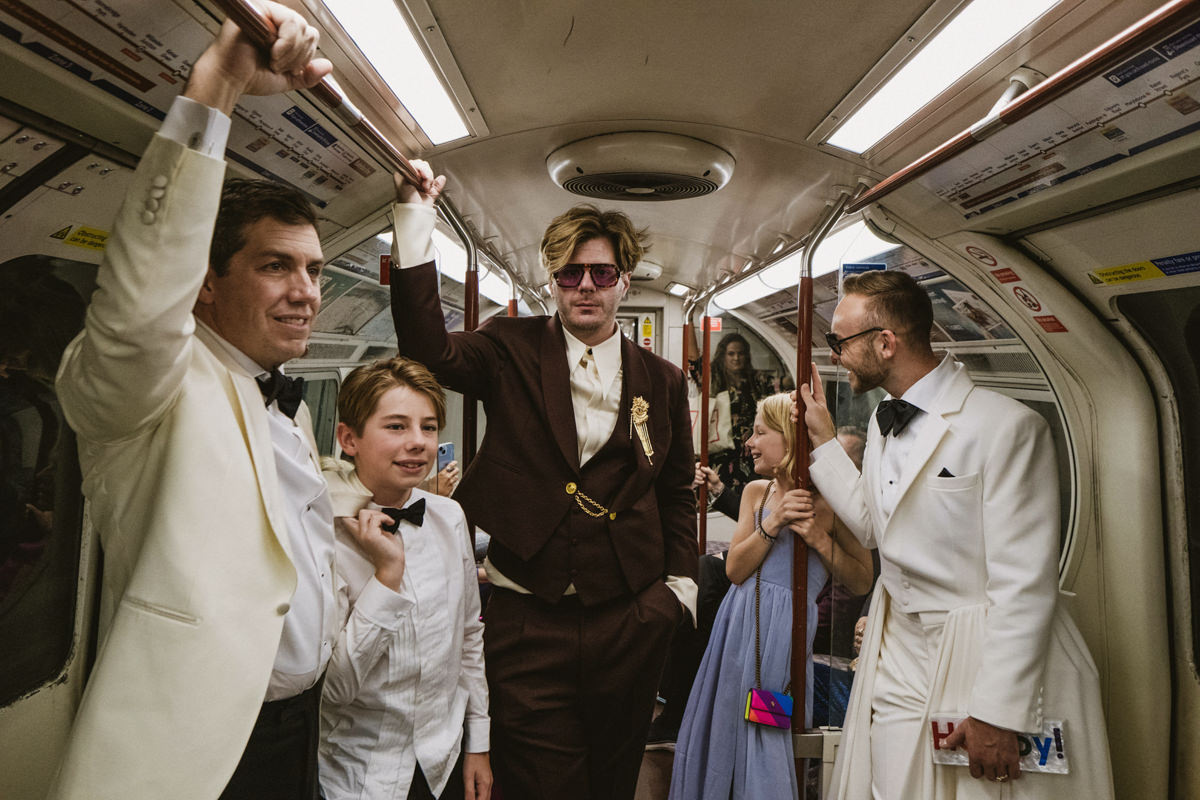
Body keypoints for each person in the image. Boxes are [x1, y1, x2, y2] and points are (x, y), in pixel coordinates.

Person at [48, 9, 375, 799]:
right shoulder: (151, 386)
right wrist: (219, 85)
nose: (307, 294)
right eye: (275, 267)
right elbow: (138, 306)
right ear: (205, 281)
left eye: (314, 270)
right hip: (201, 751)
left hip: (302, 730)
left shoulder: (286, 405)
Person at [388, 180, 698, 799]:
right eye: (570, 273)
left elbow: (675, 490)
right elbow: (428, 349)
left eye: (601, 273)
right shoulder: (509, 349)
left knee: (612, 782)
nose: (585, 286)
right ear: (551, 280)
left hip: (628, 617)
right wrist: (414, 220)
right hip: (527, 615)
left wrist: (677, 593)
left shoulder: (661, 382)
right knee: (537, 785)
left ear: (624, 281)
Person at [798, 269, 1114, 799]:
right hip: (897, 647)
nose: (834, 354)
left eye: (840, 341)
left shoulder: (1005, 428)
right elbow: (879, 527)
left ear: (885, 341)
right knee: (890, 788)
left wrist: (997, 710)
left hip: (973, 646)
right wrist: (825, 442)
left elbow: (1023, 583)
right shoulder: (881, 423)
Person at [669, 393, 873, 800]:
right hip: (737, 622)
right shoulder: (756, 494)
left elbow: (862, 579)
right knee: (725, 723)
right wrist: (775, 521)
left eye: (760, 432)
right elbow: (735, 570)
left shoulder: (833, 504)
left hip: (783, 635)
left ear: (791, 439)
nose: (749, 441)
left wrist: (818, 539)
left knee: (766, 728)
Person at [319, 357, 490, 800]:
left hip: (445, 760)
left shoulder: (449, 517)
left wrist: (479, 742)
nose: (418, 443)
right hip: (359, 775)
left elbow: (469, 637)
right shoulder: (322, 534)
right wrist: (387, 576)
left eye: (428, 427)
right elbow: (331, 693)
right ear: (348, 439)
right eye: (396, 427)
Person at [696, 333, 774, 501]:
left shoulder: (756, 380)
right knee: (719, 495)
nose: (736, 358)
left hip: (749, 452)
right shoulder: (714, 379)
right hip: (721, 450)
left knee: (749, 498)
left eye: (740, 353)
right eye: (731, 354)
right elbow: (693, 363)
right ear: (723, 355)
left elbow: (781, 387)